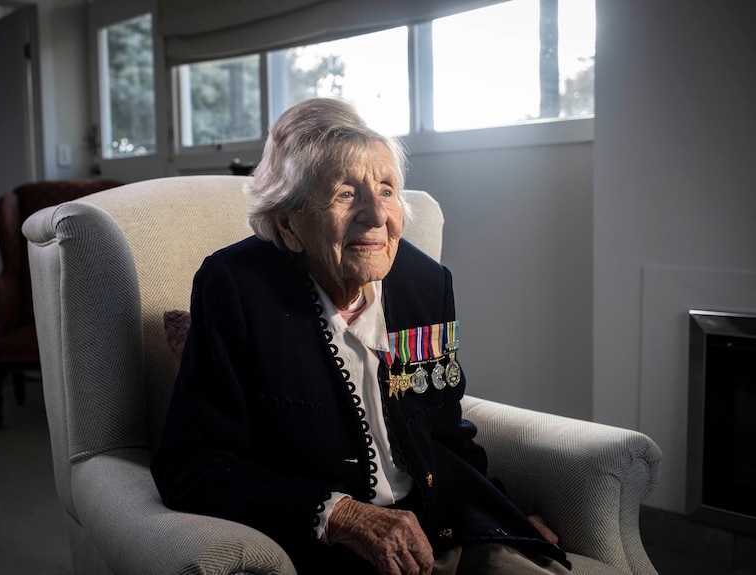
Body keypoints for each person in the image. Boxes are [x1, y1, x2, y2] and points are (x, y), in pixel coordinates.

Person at [151, 98, 570, 575]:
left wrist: (503, 514)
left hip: (439, 529)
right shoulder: (235, 288)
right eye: (345, 194)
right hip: (328, 551)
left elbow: (445, 429)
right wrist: (341, 515)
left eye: (387, 190)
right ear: (289, 223)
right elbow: (192, 467)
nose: (376, 215)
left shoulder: (425, 283)